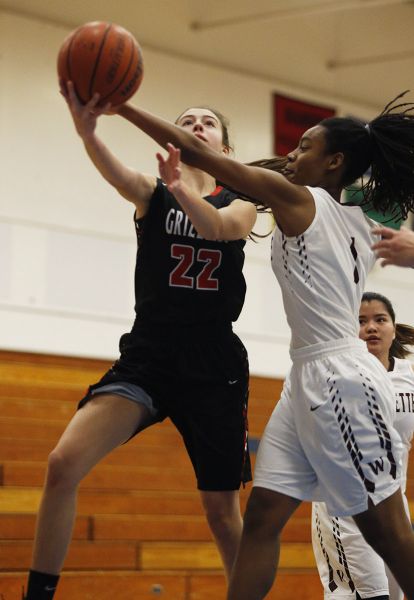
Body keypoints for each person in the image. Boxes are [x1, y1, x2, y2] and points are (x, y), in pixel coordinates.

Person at [114, 91, 414, 599]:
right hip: (306, 380)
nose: (292, 155)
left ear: (335, 162)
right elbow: (227, 164)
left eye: (304, 147)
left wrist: (119, 105)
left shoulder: (301, 200)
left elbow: (201, 155)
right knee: (261, 520)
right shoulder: (354, 215)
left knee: (387, 533)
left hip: (341, 381)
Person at [23, 84, 258, 600]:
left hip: (213, 363)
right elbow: (117, 175)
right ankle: (37, 594)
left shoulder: (242, 202)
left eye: (208, 122)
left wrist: (183, 192)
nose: (197, 125)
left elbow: (218, 229)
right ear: (174, 136)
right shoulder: (152, 193)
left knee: (222, 513)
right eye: (187, 119)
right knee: (63, 463)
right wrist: (88, 132)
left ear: (226, 149)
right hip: (149, 355)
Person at [312, 291, 414, 600]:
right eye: (361, 321)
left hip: (394, 505)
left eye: (380, 319)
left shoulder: (408, 376)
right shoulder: (333, 373)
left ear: (393, 328)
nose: (371, 327)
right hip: (345, 509)